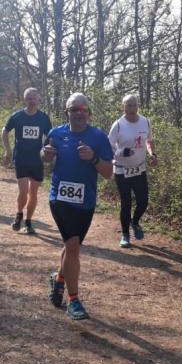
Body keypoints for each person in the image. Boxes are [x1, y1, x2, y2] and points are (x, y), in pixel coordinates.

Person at [42, 92, 113, 321]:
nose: (79, 113)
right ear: (67, 113)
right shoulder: (56, 133)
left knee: (71, 247)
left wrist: (93, 158)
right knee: (72, 246)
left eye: (83, 109)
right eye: (74, 109)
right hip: (60, 199)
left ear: (88, 112)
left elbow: (108, 173)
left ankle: (59, 279)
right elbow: (45, 157)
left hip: (85, 202)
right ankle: (74, 301)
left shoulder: (98, 137)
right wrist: (45, 154)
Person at [108, 94, 158, 248]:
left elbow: (149, 141)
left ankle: (134, 222)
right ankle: (125, 235)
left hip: (139, 168)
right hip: (122, 170)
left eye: (134, 105)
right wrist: (121, 152)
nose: (131, 108)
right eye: (128, 105)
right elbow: (108, 147)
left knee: (143, 202)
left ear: (138, 106)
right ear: (122, 107)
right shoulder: (118, 125)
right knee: (126, 203)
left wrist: (152, 154)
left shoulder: (145, 122)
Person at [2, 87, 52, 234]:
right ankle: (19, 214)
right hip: (21, 158)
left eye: (34, 98)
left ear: (38, 99)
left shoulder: (43, 118)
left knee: (33, 192)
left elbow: (50, 136)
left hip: (37, 159)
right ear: (25, 99)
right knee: (23, 191)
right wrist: (8, 150)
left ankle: (29, 221)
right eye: (29, 98)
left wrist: (47, 151)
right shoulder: (17, 116)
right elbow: (5, 130)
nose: (32, 101)